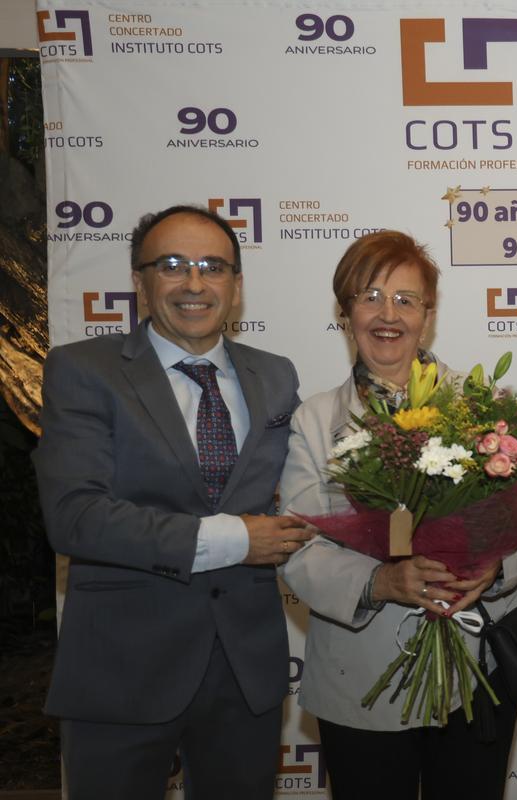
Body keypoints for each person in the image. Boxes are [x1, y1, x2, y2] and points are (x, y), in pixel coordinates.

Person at [33, 205, 313, 799]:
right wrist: (238, 539)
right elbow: (75, 517)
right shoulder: (85, 370)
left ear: (236, 287)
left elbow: (310, 487)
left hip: (246, 670)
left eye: (213, 267)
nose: (194, 283)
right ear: (139, 281)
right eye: (173, 265)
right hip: (121, 667)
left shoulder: (276, 376)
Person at [278, 230, 517, 800]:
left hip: (478, 669)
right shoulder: (314, 420)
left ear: (428, 315)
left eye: (406, 300)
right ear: (345, 310)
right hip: (361, 679)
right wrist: (380, 580)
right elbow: (299, 545)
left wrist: (493, 572)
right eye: (370, 296)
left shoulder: (484, 407)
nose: (388, 314)